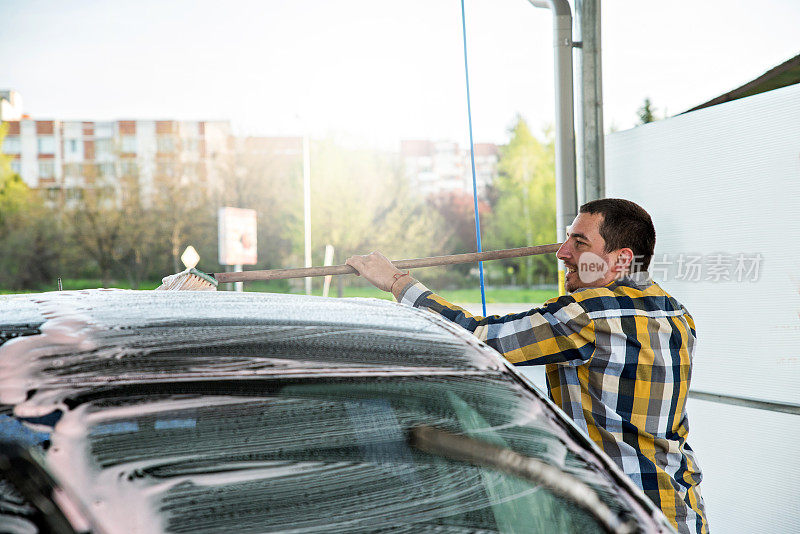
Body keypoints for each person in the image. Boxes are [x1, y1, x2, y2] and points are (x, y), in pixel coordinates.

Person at [346, 198, 708, 534]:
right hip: (678, 510)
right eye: (567, 240)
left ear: (622, 260)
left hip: (616, 511)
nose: (562, 253)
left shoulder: (589, 313)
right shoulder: (675, 312)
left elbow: (474, 337)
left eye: (579, 243)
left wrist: (397, 281)